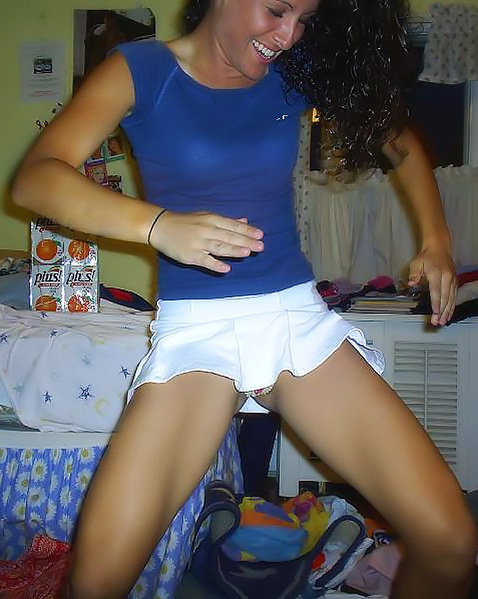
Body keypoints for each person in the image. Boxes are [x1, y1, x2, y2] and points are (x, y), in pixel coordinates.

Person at [11, 0, 477, 597]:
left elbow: (400, 142)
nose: (288, 34)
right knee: (96, 581)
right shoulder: (142, 70)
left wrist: (437, 242)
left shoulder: (295, 73)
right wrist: (157, 226)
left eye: (304, 20)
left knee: (451, 540)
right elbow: (37, 176)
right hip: (196, 332)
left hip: (292, 319)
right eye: (277, 10)